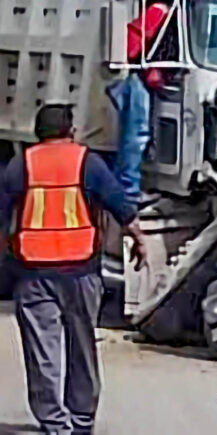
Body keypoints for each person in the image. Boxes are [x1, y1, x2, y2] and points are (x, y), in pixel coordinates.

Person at [0, 104, 147, 435]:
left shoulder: (20, 165)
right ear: (71, 132)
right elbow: (120, 204)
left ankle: (55, 422)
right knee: (82, 348)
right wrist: (138, 240)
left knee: (43, 351)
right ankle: (81, 419)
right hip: (81, 272)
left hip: (33, 274)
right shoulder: (87, 162)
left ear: (37, 134)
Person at [106, 0, 171, 206]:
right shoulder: (159, 11)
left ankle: (127, 188)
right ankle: (128, 192)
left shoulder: (163, 10)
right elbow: (131, 46)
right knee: (135, 136)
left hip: (140, 77)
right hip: (138, 78)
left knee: (135, 136)